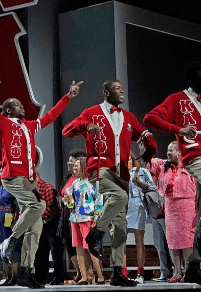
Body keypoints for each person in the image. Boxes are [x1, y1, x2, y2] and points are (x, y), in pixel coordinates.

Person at [0, 61, 82, 289]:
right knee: (38, 206)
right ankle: (11, 240)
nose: (22, 106)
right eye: (17, 105)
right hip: (12, 178)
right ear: (8, 111)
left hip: (27, 181)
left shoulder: (29, 126)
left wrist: (67, 97)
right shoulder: (3, 123)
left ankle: (27, 272)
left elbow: (50, 117)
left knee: (36, 227)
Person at [62, 79, 157, 287]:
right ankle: (96, 233)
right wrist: (86, 125)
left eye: (123, 88)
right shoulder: (91, 112)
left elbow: (144, 133)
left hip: (121, 173)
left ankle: (116, 272)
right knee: (121, 197)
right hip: (100, 170)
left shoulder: (129, 118)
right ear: (106, 92)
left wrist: (150, 146)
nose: (122, 90)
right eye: (117, 88)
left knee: (121, 226)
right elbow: (67, 130)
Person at [143, 61, 201, 285]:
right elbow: (150, 118)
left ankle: (193, 266)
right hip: (194, 157)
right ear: (192, 81)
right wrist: (177, 129)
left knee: (200, 211)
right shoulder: (177, 100)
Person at [146, 141, 197, 283]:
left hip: (187, 207)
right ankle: (177, 272)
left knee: (187, 241)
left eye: (171, 150)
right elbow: (150, 162)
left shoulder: (190, 167)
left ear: (180, 152)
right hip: (170, 208)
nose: (168, 153)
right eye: (167, 150)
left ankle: (188, 271)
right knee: (173, 241)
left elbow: (198, 189)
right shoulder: (164, 166)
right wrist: (147, 147)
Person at [63, 157, 105, 285]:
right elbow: (71, 204)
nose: (74, 168)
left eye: (77, 166)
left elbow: (99, 200)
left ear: (84, 168)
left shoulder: (93, 182)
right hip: (75, 218)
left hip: (87, 218)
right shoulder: (74, 183)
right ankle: (84, 276)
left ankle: (100, 276)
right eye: (74, 166)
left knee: (91, 248)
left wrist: (96, 217)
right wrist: (68, 201)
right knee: (78, 248)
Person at [126, 152, 157, 284]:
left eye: (127, 159)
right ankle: (123, 272)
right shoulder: (117, 173)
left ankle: (140, 273)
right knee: (120, 241)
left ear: (131, 159)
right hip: (123, 208)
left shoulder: (142, 171)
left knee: (139, 241)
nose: (126, 162)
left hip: (138, 207)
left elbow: (153, 187)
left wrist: (140, 182)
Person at [0, 162, 21, 287]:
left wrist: (15, 219)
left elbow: (18, 204)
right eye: (0, 171)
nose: (1, 173)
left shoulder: (13, 187)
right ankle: (6, 275)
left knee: (11, 244)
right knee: (1, 245)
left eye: (3, 170)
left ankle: (15, 275)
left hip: (9, 215)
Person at [58, 149, 86, 283]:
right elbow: (61, 194)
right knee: (69, 243)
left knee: (82, 244)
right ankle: (79, 271)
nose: (69, 163)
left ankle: (87, 272)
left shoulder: (85, 179)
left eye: (72, 161)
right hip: (66, 213)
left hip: (80, 213)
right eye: (69, 161)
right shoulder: (67, 178)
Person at [34, 171, 64, 285]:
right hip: (39, 222)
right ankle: (40, 277)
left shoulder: (48, 188)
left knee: (56, 250)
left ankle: (58, 277)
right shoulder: (29, 190)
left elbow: (48, 210)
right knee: (40, 250)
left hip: (52, 221)